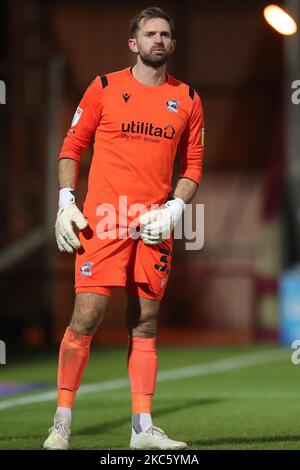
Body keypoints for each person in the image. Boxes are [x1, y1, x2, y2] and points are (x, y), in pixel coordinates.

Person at [43, 6, 204, 450]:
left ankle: (142, 429)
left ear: (173, 44)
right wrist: (65, 202)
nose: (158, 40)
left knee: (146, 323)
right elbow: (70, 147)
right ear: (133, 43)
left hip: (155, 225)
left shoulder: (188, 98)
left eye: (165, 34)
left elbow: (193, 166)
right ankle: (62, 420)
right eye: (150, 33)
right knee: (87, 317)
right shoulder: (105, 87)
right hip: (104, 221)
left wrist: (174, 209)